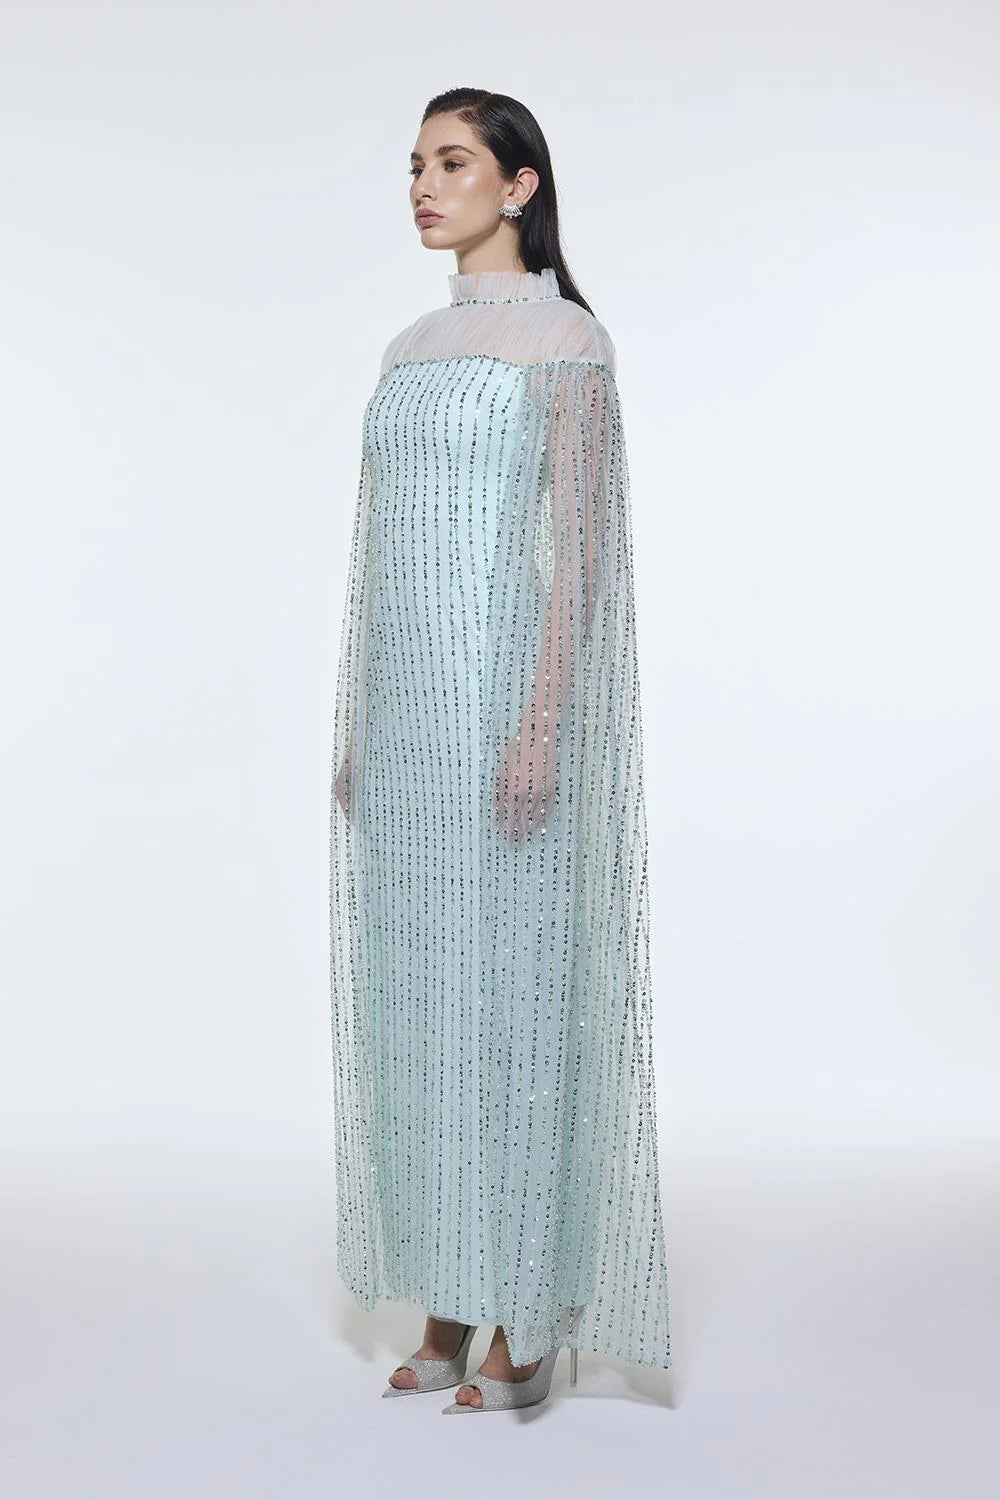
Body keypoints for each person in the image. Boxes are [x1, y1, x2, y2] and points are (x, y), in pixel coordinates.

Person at [329, 86, 671, 1414]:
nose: (425, 185)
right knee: (419, 1007)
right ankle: (447, 1294)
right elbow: (377, 552)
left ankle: (529, 1305)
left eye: (454, 161)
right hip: (408, 719)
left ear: (519, 186)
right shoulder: (407, 346)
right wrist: (359, 719)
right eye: (416, 164)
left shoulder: (568, 341)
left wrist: (541, 723)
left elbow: (581, 551)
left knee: (513, 1000)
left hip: (506, 706)